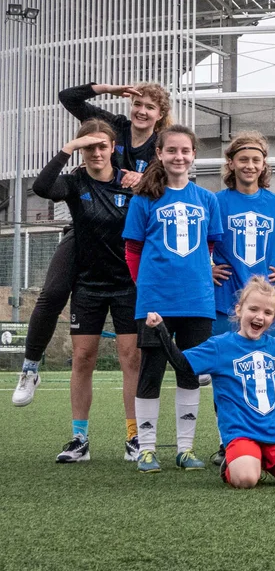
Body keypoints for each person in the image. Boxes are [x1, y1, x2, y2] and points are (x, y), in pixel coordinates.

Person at [12, 81, 170, 408]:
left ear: (161, 114)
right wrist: (115, 88)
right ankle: (30, 366)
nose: (141, 110)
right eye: (137, 103)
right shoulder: (114, 128)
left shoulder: (162, 146)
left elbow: (174, 183)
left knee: (164, 289)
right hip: (91, 226)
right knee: (54, 291)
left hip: (133, 234)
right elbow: (67, 97)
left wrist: (146, 180)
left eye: (149, 106)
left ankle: (190, 357)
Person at [32, 120, 140, 463]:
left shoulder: (130, 182)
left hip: (127, 285)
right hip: (88, 285)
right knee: (82, 359)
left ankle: (135, 438)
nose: (96, 152)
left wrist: (143, 180)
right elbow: (41, 186)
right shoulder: (74, 182)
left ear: (112, 149)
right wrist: (67, 148)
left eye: (102, 146)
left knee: (131, 359)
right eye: (88, 146)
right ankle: (79, 439)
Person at [147, 276, 275, 488]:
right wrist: (161, 331)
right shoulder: (221, 346)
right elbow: (183, 364)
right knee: (246, 480)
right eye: (253, 309)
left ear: (274, 319)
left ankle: (263, 460)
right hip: (241, 433)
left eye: (267, 313)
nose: (259, 317)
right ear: (239, 310)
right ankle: (235, 463)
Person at [123, 125, 223, 473]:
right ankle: (147, 449)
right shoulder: (144, 199)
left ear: (194, 155)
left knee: (190, 372)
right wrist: (147, 288)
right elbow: (133, 250)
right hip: (155, 302)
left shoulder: (208, 200)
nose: (179, 157)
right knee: (150, 372)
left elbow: (209, 247)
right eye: (172, 151)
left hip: (197, 301)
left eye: (186, 151)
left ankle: (185, 448)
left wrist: (193, 275)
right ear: (160, 154)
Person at [211, 132, 275, 339]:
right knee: (223, 363)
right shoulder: (216, 202)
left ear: (263, 165)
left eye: (256, 160)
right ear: (231, 163)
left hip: (266, 300)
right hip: (224, 299)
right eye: (243, 160)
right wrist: (207, 269)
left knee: (266, 363)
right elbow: (199, 242)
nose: (250, 166)